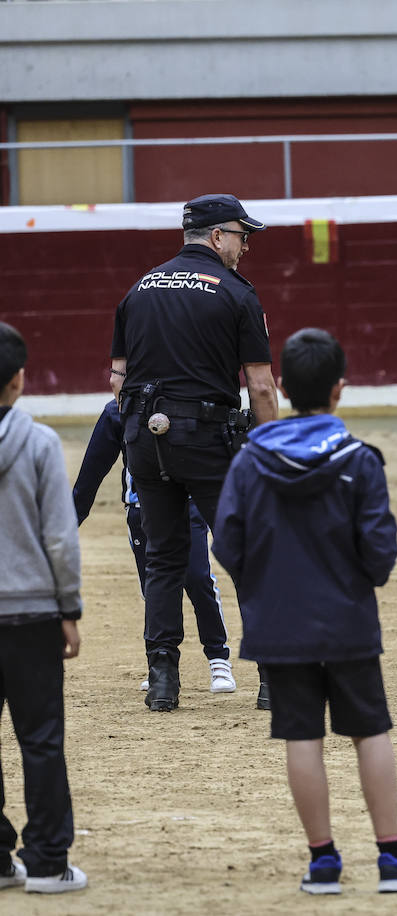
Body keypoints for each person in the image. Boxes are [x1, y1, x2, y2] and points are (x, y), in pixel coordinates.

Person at [212, 327, 397, 893]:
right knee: (370, 732)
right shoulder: (360, 461)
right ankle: (392, 858)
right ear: (340, 390)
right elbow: (380, 553)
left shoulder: (248, 461)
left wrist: (264, 586)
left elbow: (227, 545)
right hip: (346, 620)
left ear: (283, 387)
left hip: (279, 624)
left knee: (301, 737)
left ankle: (322, 862)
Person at [109, 193, 278, 712]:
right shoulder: (236, 293)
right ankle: (275, 678)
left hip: (144, 439)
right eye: (242, 236)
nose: (245, 247)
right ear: (218, 235)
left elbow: (117, 381)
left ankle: (163, 680)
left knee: (163, 558)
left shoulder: (138, 289)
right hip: (208, 440)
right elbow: (262, 386)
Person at [0, 322, 88, 894]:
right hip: (29, 613)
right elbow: (60, 536)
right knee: (41, 738)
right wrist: (69, 606)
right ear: (19, 380)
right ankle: (49, 860)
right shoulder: (37, 443)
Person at [71, 399, 235, 694]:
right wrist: (71, 520)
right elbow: (92, 470)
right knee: (154, 587)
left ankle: (217, 658)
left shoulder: (188, 399)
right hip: (140, 507)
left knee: (197, 578)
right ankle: (160, 664)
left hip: (190, 502)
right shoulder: (116, 410)